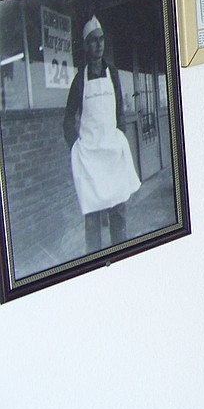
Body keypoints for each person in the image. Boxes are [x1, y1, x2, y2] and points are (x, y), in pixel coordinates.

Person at [62, 15, 140, 254]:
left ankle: (121, 259)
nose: (99, 45)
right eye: (94, 41)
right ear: (86, 45)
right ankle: (94, 264)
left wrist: (119, 142)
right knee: (93, 218)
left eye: (101, 40)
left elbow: (119, 115)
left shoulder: (113, 74)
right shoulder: (79, 81)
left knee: (118, 213)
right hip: (91, 160)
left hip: (111, 155)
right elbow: (68, 119)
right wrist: (76, 148)